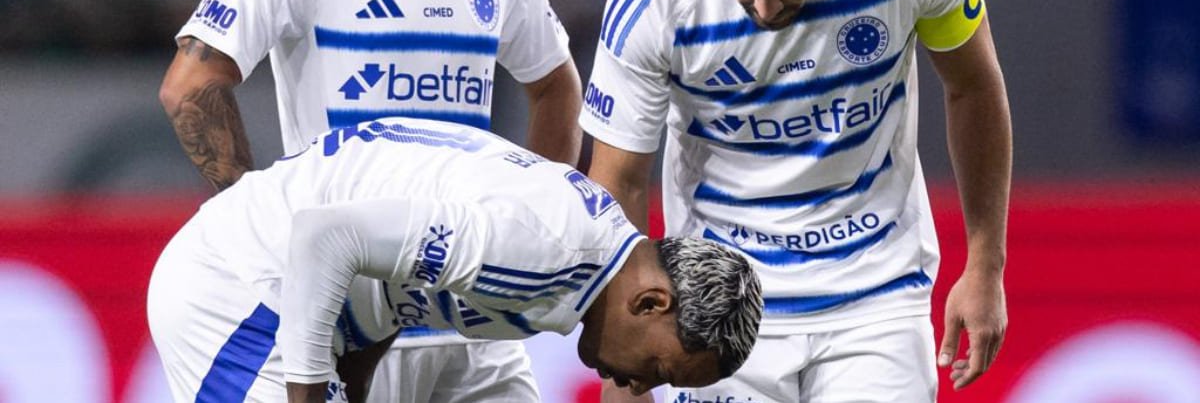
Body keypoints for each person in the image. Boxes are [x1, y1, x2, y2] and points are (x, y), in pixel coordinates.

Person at [158, 0, 582, 402]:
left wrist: (523, 232)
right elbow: (192, 85)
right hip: (350, 320)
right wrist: (261, 228)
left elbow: (555, 85)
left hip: (471, 329)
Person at [580, 0, 1012, 402]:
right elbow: (620, 179)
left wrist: (985, 264)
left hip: (877, 292)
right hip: (716, 305)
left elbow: (973, 87)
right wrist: (624, 360)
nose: (765, 8)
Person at [146, 116, 763, 403]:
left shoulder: (585, 259)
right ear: (651, 302)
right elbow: (323, 237)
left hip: (310, 300)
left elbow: (399, 285)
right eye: (660, 368)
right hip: (238, 287)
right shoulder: (541, 251)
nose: (638, 387)